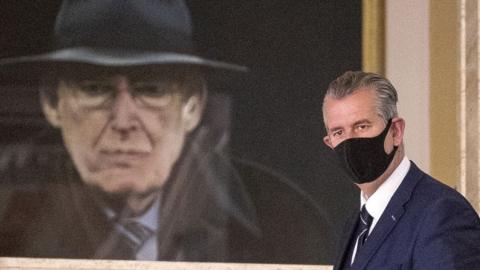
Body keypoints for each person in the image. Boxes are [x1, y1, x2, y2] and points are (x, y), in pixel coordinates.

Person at [0, 0, 335, 264]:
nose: (123, 121)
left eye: (152, 89)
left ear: (192, 104)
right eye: (93, 89)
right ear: (51, 102)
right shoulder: (9, 212)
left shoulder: (282, 221)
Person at [321, 70, 480, 269]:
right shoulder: (356, 223)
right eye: (338, 132)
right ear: (329, 143)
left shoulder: (442, 213)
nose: (350, 141)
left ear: (396, 131)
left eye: (362, 126)